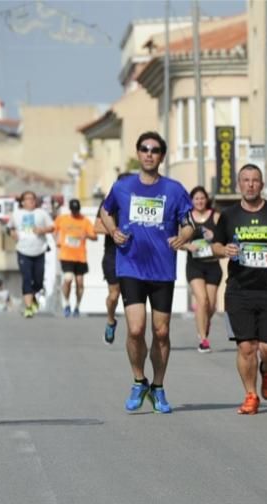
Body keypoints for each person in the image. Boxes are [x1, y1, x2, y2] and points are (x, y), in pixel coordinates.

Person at [97, 131, 195, 414]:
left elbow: (188, 222)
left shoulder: (174, 190)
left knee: (161, 332)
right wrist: (113, 230)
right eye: (144, 149)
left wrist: (183, 237)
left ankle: (159, 387)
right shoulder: (123, 186)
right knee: (136, 329)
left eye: (154, 150)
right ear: (138, 153)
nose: (149, 154)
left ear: (161, 156)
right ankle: (139, 380)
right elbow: (105, 211)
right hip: (131, 265)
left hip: (162, 269)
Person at [212, 164, 267, 415]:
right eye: (246, 180)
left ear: (261, 184)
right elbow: (216, 245)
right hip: (239, 290)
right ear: (239, 184)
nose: (250, 184)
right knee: (246, 347)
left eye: (255, 180)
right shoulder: (228, 215)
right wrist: (224, 250)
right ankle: (250, 394)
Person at [182, 186, 221, 353]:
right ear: (191, 201)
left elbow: (225, 237)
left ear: (207, 200)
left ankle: (205, 322)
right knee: (202, 301)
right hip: (195, 265)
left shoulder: (216, 216)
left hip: (212, 264)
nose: (199, 201)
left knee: (211, 306)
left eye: (202, 198)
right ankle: (203, 339)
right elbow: (178, 240)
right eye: (196, 198)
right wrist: (187, 246)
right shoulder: (187, 218)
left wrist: (214, 236)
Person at [97, 172, 134, 345]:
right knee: (114, 295)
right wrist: (115, 230)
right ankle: (111, 320)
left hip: (134, 255)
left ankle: (134, 333)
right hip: (113, 254)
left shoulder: (138, 203)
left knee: (132, 296)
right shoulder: (108, 203)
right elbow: (96, 226)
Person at [7, 190, 54, 318]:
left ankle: (33, 298)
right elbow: (9, 227)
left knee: (38, 281)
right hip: (23, 250)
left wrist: (42, 230)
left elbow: (52, 227)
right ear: (22, 202)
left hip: (40, 250)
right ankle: (28, 308)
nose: (31, 200)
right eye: (28, 198)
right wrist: (12, 233)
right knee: (27, 278)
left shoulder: (41, 213)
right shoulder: (16, 214)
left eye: (33, 198)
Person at [54, 199, 97, 317]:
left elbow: (95, 236)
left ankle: (77, 306)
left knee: (80, 282)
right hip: (66, 255)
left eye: (77, 210)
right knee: (68, 279)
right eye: (73, 210)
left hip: (80, 257)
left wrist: (87, 235)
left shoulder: (85, 220)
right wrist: (56, 241)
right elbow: (54, 230)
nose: (75, 212)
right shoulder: (62, 219)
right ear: (70, 209)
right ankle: (67, 304)